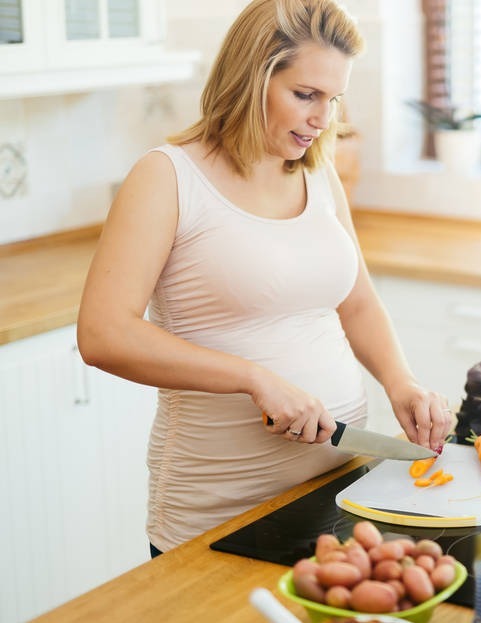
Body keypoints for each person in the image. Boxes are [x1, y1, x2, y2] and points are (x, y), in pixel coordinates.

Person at [76, 0, 453, 555]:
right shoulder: (167, 177)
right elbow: (103, 334)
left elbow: (357, 302)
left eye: (334, 99)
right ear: (252, 77)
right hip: (219, 513)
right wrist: (253, 378)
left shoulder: (319, 173)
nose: (323, 119)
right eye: (306, 95)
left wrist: (402, 383)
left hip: (337, 493)